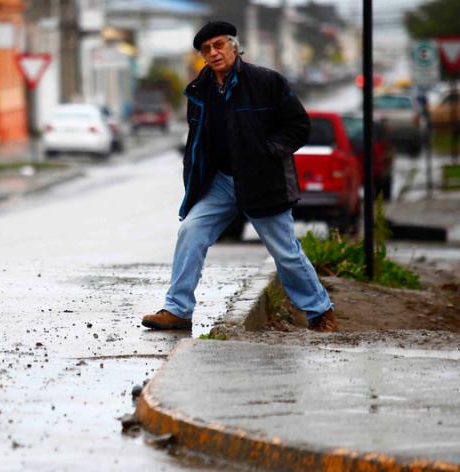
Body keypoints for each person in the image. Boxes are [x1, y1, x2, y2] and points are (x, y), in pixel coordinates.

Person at [141, 20, 337, 333]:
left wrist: (269, 151)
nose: (213, 52)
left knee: (285, 251)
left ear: (234, 46)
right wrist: (193, 173)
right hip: (219, 181)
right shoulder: (199, 90)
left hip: (261, 180)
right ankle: (178, 309)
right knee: (190, 232)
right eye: (207, 49)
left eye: (219, 45)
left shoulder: (266, 82)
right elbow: (197, 140)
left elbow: (298, 126)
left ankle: (320, 311)